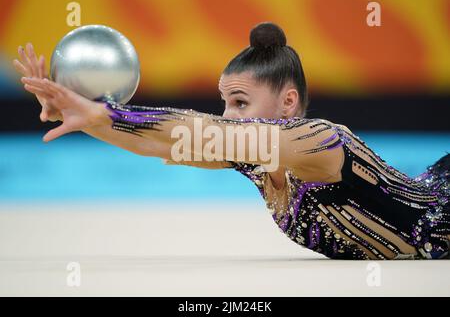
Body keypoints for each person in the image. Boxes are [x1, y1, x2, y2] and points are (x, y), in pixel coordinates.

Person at [13, 22, 449, 260]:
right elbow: (164, 144)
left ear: (288, 103)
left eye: (240, 103)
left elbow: (197, 131)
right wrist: (83, 116)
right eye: (225, 104)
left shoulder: (322, 142)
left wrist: (106, 112)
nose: (227, 118)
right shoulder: (255, 161)